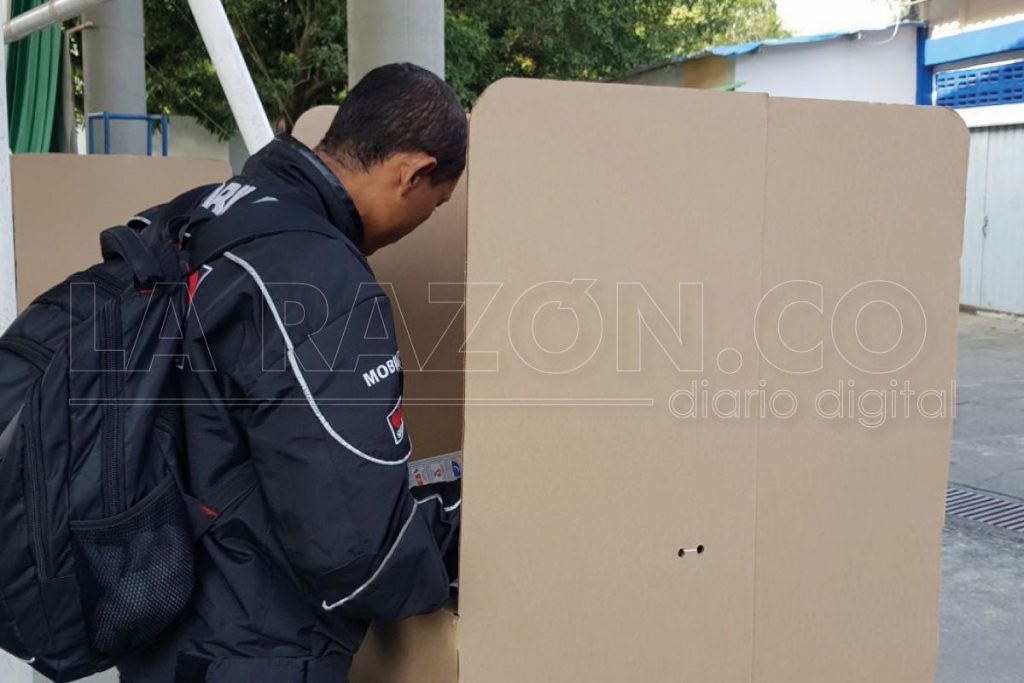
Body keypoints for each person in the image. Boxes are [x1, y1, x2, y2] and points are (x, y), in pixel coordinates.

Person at [118, 62, 467, 683]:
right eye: (436, 204)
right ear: (412, 172)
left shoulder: (194, 217)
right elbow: (356, 549)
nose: (425, 220)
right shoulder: (319, 277)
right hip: (252, 648)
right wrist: (471, 531)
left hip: (156, 614)